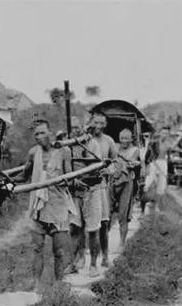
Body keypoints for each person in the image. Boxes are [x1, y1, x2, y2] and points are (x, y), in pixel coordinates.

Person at [13, 120, 75, 293]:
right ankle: (36, 285)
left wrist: (64, 181)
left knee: (59, 251)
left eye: (42, 132)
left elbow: (70, 177)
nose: (39, 137)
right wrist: (7, 181)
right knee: (37, 248)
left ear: (50, 132)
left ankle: (58, 285)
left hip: (58, 205)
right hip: (38, 206)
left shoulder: (64, 151)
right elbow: (24, 175)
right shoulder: (33, 153)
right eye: (36, 134)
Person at [64, 118, 104, 277]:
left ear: (83, 128)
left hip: (91, 192)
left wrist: (83, 179)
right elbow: (64, 169)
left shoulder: (92, 144)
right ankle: (73, 263)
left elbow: (96, 169)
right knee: (74, 229)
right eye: (72, 128)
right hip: (74, 193)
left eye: (77, 128)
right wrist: (72, 181)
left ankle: (93, 265)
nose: (75, 131)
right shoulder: (67, 146)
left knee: (93, 230)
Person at [89, 112, 118, 268]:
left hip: (102, 186)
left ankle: (105, 256)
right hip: (86, 187)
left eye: (101, 123)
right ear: (91, 122)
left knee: (104, 222)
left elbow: (115, 162)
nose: (98, 126)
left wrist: (110, 170)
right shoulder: (85, 140)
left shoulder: (108, 141)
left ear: (105, 125)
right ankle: (82, 259)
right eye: (96, 122)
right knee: (86, 226)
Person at [109, 129, 141, 245]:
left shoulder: (135, 150)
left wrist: (133, 164)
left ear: (131, 139)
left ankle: (122, 243)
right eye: (122, 138)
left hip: (127, 183)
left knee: (123, 214)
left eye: (127, 138)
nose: (124, 141)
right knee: (107, 213)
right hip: (113, 181)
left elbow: (133, 162)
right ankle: (105, 243)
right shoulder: (115, 147)